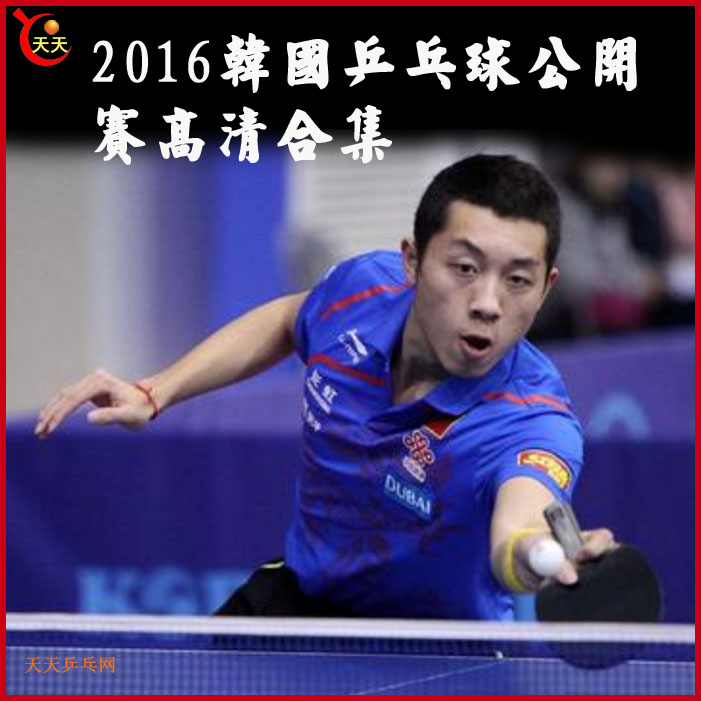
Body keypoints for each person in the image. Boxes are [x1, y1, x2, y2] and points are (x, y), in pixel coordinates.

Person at [34, 154, 613, 620]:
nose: (487, 302)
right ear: (412, 262)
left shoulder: (534, 421)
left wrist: (532, 555)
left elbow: (518, 527)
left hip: (444, 647)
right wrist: (155, 391)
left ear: (546, 288)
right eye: (464, 268)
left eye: (517, 280)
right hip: (305, 604)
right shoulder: (360, 294)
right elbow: (289, 320)